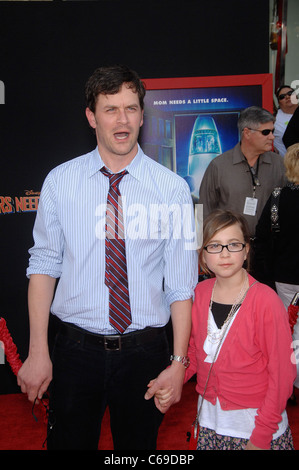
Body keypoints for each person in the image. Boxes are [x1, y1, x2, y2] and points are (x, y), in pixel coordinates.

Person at [17, 64, 198, 450]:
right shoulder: (60, 182)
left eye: (131, 108)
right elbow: (44, 266)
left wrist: (178, 364)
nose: (122, 120)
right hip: (74, 351)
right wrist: (37, 352)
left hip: (145, 353)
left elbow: (181, 284)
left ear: (143, 115)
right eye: (110, 109)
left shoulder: (171, 189)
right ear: (91, 116)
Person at [152, 210, 296, 450]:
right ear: (203, 256)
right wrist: (172, 379)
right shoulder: (199, 295)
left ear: (247, 250)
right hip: (210, 424)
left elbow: (282, 376)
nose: (225, 254)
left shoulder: (265, 301)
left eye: (233, 245)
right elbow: (195, 355)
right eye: (215, 246)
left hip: (257, 430)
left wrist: (260, 438)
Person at [199, 106, 287, 239]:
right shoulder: (218, 166)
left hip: (270, 246)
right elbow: (204, 209)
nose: (272, 137)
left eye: (272, 131)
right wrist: (203, 244)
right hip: (231, 246)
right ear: (247, 133)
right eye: (266, 132)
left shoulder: (279, 164)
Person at [255, 143, 299, 394]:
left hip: (283, 276)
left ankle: (288, 383)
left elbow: (262, 237)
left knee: (287, 333)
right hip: (284, 274)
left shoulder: (277, 198)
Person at [273, 85, 298, 156]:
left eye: (290, 93)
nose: (287, 97)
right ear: (278, 102)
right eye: (282, 97)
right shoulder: (273, 118)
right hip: (284, 164)